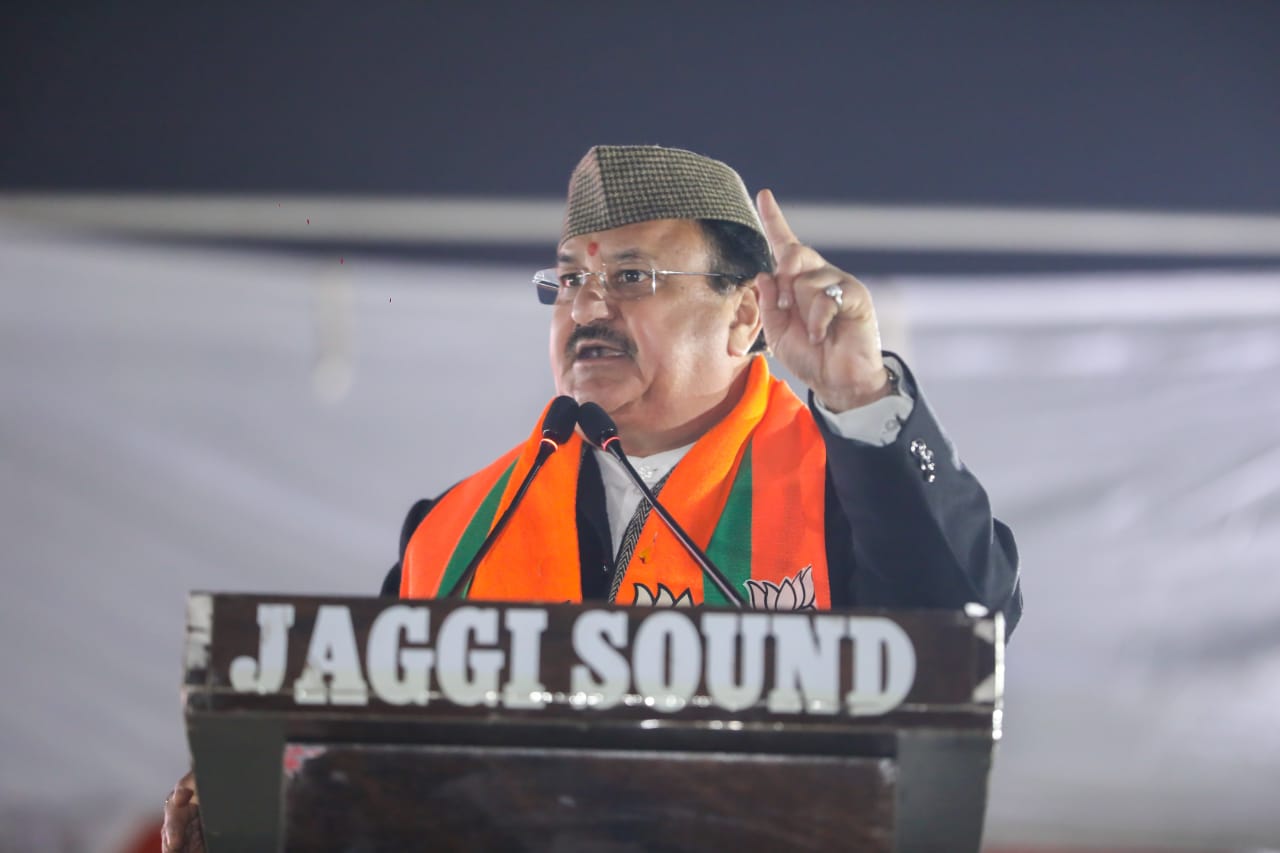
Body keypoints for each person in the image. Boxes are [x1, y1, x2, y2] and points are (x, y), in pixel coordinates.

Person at [163, 144, 1021, 850]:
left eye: (634, 279)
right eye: (569, 280)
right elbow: (377, 772)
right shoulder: (460, 527)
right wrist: (267, 810)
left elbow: (968, 620)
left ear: (745, 314)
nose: (588, 308)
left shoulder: (849, 481)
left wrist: (861, 391)